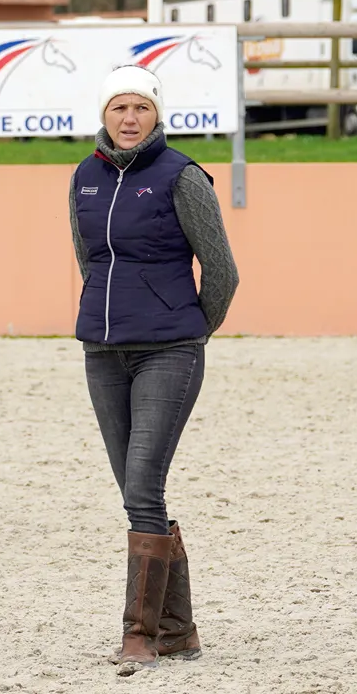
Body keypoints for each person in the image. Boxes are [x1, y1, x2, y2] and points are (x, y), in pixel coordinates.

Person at [68, 64, 239, 676]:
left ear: (157, 114)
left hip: (169, 351)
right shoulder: (84, 177)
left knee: (143, 484)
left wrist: (190, 330)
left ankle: (139, 634)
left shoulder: (183, 176)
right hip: (102, 353)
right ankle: (178, 628)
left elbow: (222, 271)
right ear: (104, 114)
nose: (130, 118)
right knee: (133, 490)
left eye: (141, 107)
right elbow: (89, 259)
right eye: (119, 108)